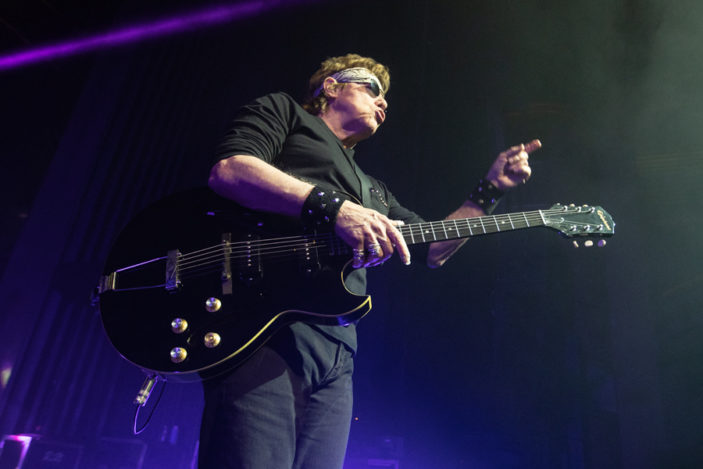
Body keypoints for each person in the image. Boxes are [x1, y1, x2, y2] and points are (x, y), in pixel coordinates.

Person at [198, 53, 538, 469]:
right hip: (265, 329)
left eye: (385, 97)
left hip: (336, 354)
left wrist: (490, 190)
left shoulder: (374, 191)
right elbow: (232, 170)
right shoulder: (285, 112)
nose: (384, 102)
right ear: (331, 86)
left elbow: (434, 249)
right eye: (372, 88)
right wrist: (335, 209)